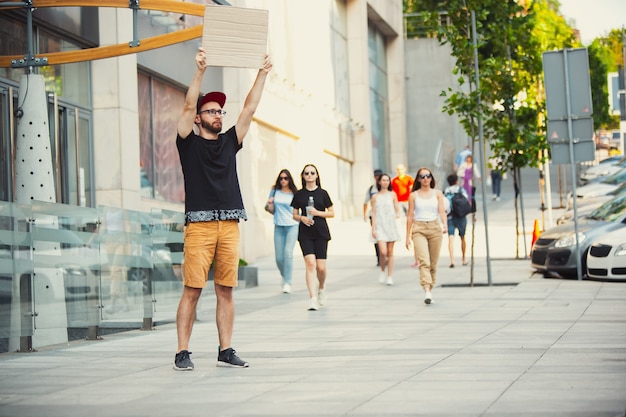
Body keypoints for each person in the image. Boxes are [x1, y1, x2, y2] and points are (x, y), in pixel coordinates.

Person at [173, 47, 272, 371]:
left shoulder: (230, 141)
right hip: (199, 227)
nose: (218, 115)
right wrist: (200, 70)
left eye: (220, 111)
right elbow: (188, 104)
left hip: (230, 224)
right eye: (211, 110)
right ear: (200, 117)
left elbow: (249, 108)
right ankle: (182, 351)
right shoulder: (188, 142)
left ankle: (225, 349)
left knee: (226, 290)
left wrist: (263, 73)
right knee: (192, 290)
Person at [291, 164, 334, 311]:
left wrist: (317, 213)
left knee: (321, 267)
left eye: (312, 173)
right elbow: (294, 214)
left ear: (317, 175)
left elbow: (332, 212)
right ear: (303, 176)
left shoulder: (323, 193)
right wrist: (302, 218)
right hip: (305, 232)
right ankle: (312, 298)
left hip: (321, 232)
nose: (309, 175)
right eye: (306, 173)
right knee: (310, 264)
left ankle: (321, 288)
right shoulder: (299, 194)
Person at [405, 167, 448, 305]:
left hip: (435, 228)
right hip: (419, 228)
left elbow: (441, 211)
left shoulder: (437, 194)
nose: (425, 179)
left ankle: (430, 287)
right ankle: (426, 289)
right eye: (422, 176)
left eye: (427, 176)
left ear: (431, 178)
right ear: (418, 179)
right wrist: (407, 236)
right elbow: (410, 215)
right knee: (424, 261)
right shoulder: (413, 195)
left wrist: (445, 224)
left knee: (433, 263)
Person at [266, 169, 299, 294]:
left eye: (286, 178)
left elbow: (299, 210)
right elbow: (271, 210)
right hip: (278, 226)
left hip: (292, 226)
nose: (283, 180)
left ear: (289, 179)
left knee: (288, 253)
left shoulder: (295, 193)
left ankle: (287, 283)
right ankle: (285, 276)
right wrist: (270, 205)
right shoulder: (274, 191)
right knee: (279, 258)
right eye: (281, 178)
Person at [370, 173, 401, 285]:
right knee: (382, 252)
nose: (385, 182)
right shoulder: (375, 197)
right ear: (379, 182)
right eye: (383, 180)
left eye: (387, 180)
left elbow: (397, 208)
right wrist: (373, 228)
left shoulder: (393, 195)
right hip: (380, 226)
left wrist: (398, 214)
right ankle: (383, 270)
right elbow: (373, 213)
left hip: (390, 225)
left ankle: (390, 276)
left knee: (390, 252)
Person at [443, 174, 468, 268]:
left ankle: (452, 260)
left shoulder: (446, 191)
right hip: (461, 216)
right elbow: (467, 201)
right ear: (456, 181)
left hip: (450, 216)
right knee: (462, 237)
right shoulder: (461, 190)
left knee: (450, 238)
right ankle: (463, 258)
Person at [363, 169, 383, 266]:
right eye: (376, 175)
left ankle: (385, 255)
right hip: (373, 215)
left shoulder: (385, 188)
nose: (378, 177)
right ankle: (379, 257)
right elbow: (365, 202)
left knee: (385, 236)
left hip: (384, 216)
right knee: (376, 236)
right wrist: (364, 214)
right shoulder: (371, 189)